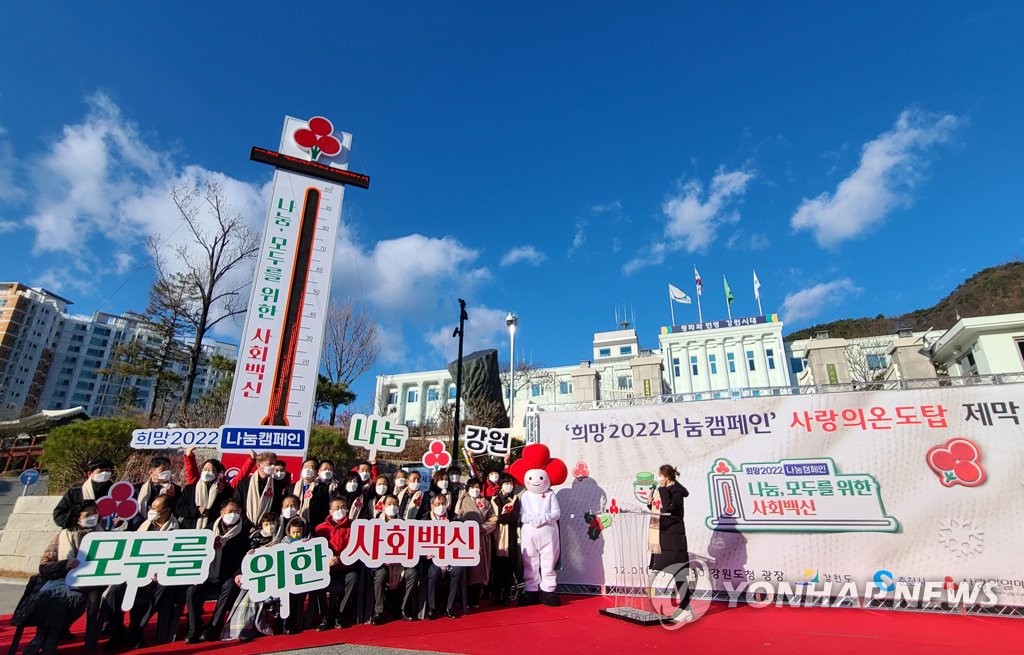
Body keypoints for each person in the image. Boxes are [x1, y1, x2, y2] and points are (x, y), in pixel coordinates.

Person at [13, 500, 103, 655]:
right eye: (88, 515)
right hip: (62, 579)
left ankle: (49, 639)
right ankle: (42, 638)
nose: (93, 517)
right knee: (53, 596)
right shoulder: (64, 535)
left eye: (95, 513)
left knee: (67, 598)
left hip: (90, 583)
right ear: (77, 517)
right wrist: (64, 565)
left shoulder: (103, 534)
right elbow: (45, 564)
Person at [183, 501, 250, 643]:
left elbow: (242, 557)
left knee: (231, 586)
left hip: (228, 575)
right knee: (192, 591)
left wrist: (238, 573)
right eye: (230, 511)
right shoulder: (208, 530)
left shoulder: (243, 532)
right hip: (207, 575)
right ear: (222, 513)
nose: (233, 514)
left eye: (237, 511)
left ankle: (213, 627)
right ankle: (193, 629)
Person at [222, 512, 283, 641]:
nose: (270, 527)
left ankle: (267, 622)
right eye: (266, 524)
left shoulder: (281, 538)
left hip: (276, 577)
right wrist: (248, 557)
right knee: (249, 596)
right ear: (261, 525)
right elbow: (242, 560)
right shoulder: (253, 539)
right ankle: (247, 627)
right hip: (256, 576)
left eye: (272, 524)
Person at [649, 464, 693, 623]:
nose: (659, 479)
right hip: (664, 535)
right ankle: (685, 608)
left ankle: (686, 608)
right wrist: (651, 502)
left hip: (674, 537)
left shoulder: (676, 491)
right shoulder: (666, 490)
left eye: (661, 476)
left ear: (667, 477)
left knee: (679, 572)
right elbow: (660, 508)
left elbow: (669, 507)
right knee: (676, 573)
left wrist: (662, 489)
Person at [369, 495, 418, 624]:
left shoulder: (405, 525)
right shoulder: (374, 524)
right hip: (381, 564)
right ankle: (378, 611)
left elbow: (411, 547)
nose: (393, 507)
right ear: (383, 506)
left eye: (396, 504)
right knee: (380, 574)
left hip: (401, 565)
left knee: (412, 574)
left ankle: (403, 609)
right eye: (390, 504)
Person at [315, 498, 358, 631]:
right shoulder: (320, 528)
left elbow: (355, 548)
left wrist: (340, 559)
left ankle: (340, 613)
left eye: (342, 507)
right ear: (330, 511)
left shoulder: (354, 526)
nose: (340, 510)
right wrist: (326, 561)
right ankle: (326, 615)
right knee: (318, 581)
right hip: (327, 567)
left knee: (353, 578)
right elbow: (316, 551)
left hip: (346, 566)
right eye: (336, 508)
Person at [454, 478, 497, 609]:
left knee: (480, 568)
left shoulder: (486, 502)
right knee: (468, 569)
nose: (475, 490)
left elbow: (493, 518)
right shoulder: (463, 501)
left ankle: (475, 598)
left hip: (483, 538)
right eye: (472, 487)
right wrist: (469, 528)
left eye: (477, 487)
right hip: (467, 539)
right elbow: (458, 517)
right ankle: (464, 598)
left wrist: (484, 528)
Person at [424, 494, 464, 619]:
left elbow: (464, 540)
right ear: (432, 506)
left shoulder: (456, 519)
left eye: (443, 503)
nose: (441, 507)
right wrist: (425, 553)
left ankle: (449, 606)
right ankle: (432, 608)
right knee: (433, 572)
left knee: (457, 570)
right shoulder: (424, 520)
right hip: (432, 560)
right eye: (437, 504)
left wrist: (472, 549)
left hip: (451, 558)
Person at [177, 450, 234, 530]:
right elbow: (179, 508)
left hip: (213, 529)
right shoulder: (190, 489)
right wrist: (196, 510)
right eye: (205, 469)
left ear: (217, 473)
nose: (207, 472)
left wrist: (209, 512)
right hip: (188, 529)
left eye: (211, 470)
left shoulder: (225, 490)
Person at [52, 457, 114, 529]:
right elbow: (58, 515)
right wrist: (77, 523)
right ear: (90, 474)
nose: (105, 474)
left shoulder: (117, 493)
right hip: (79, 534)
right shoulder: (75, 493)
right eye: (101, 471)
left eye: (107, 471)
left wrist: (120, 520)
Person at [490, 473, 521, 605]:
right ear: (501, 485)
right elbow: (490, 515)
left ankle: (507, 594)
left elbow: (513, 516)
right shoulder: (493, 499)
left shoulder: (515, 499)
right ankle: (496, 595)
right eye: (506, 483)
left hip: (511, 537)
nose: (509, 486)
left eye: (511, 484)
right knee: (497, 568)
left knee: (509, 567)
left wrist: (498, 518)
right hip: (496, 536)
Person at [233, 452, 286, 527]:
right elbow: (237, 505)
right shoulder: (244, 484)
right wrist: (247, 524)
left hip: (267, 527)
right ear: (259, 465)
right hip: (244, 526)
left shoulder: (277, 485)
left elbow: (277, 508)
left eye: (274, 464)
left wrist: (267, 523)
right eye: (270, 464)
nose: (273, 466)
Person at [133, 456, 181, 529]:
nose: (167, 472)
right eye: (163, 470)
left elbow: (178, 509)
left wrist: (171, 498)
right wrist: (142, 523)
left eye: (168, 469)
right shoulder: (137, 489)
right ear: (151, 472)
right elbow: (132, 510)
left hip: (166, 527)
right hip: (139, 527)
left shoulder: (175, 488)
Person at [293, 457, 329, 532]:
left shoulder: (322, 488)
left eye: (311, 467)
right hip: (294, 526)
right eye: (305, 467)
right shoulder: (292, 487)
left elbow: (324, 509)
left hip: (313, 526)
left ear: (316, 472)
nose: (307, 469)